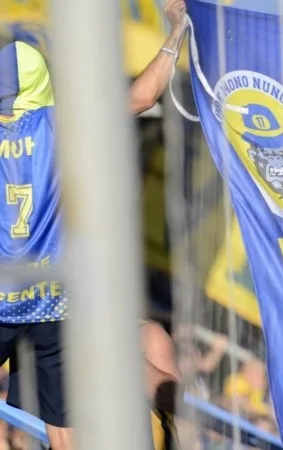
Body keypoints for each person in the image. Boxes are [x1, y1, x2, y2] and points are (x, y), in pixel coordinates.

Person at [0, 1, 188, 449]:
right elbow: (144, 96)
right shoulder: (62, 124)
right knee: (66, 437)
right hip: (52, 302)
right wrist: (178, 31)